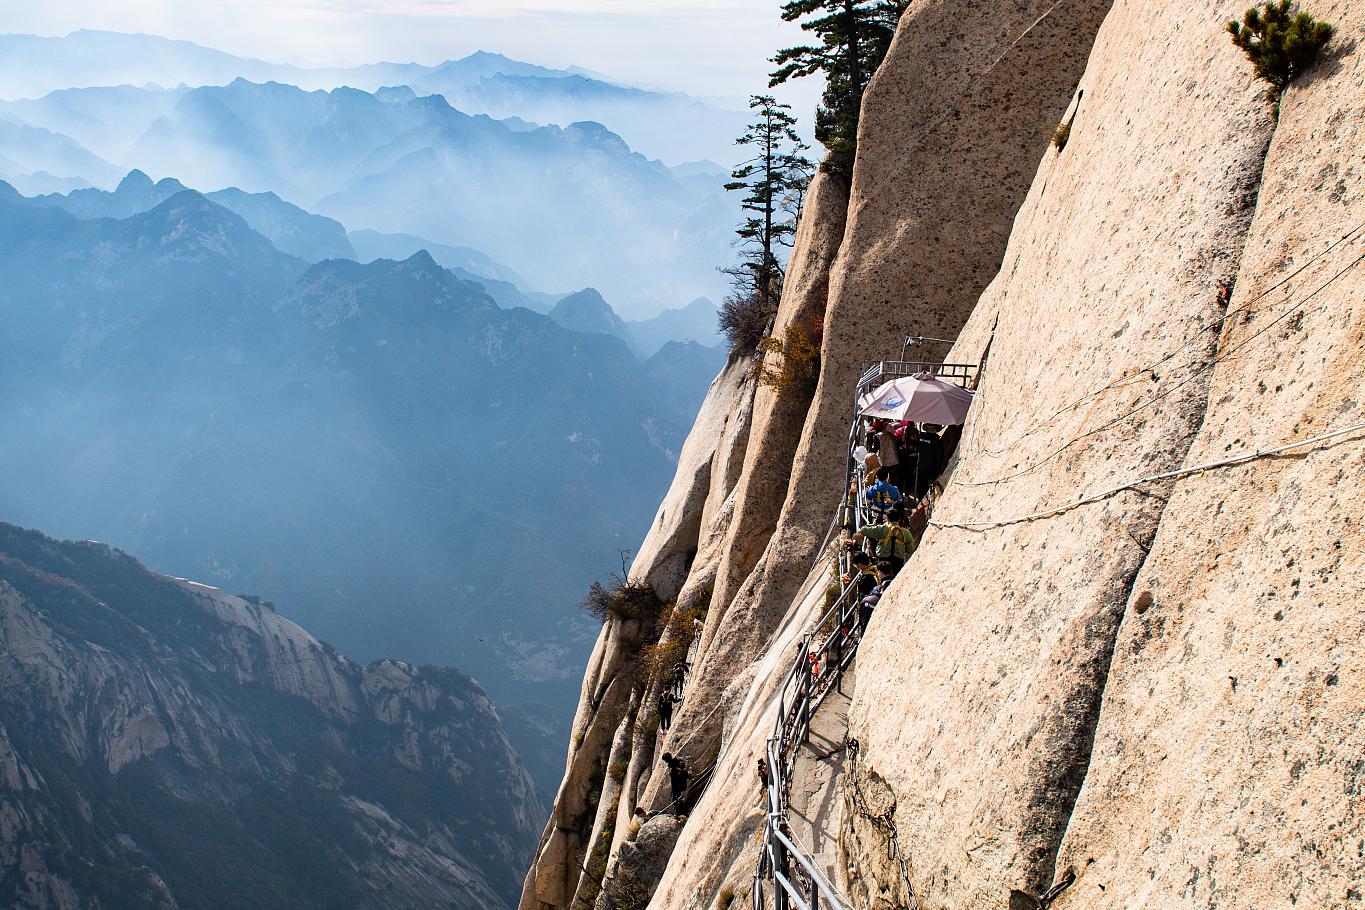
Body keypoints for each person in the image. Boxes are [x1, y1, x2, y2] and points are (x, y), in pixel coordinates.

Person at [856, 504, 916, 570]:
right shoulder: (906, 532)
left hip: (883, 559)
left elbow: (863, 530)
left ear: (887, 519)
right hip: (898, 560)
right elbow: (910, 550)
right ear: (899, 519)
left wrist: (873, 524)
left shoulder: (882, 529)